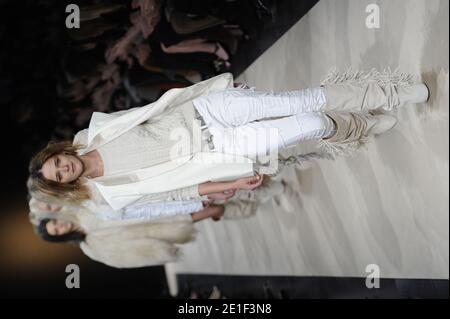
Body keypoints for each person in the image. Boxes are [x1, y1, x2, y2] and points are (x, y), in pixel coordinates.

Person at [28, 69, 429, 213]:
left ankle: (389, 94)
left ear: (61, 152)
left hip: (206, 111)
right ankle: (355, 127)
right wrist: (233, 185)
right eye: (60, 176)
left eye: (58, 162)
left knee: (297, 100)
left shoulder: (93, 131)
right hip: (219, 152)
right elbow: (182, 190)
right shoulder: (111, 194)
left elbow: (152, 109)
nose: (65, 168)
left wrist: (206, 92)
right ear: (65, 185)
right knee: (309, 123)